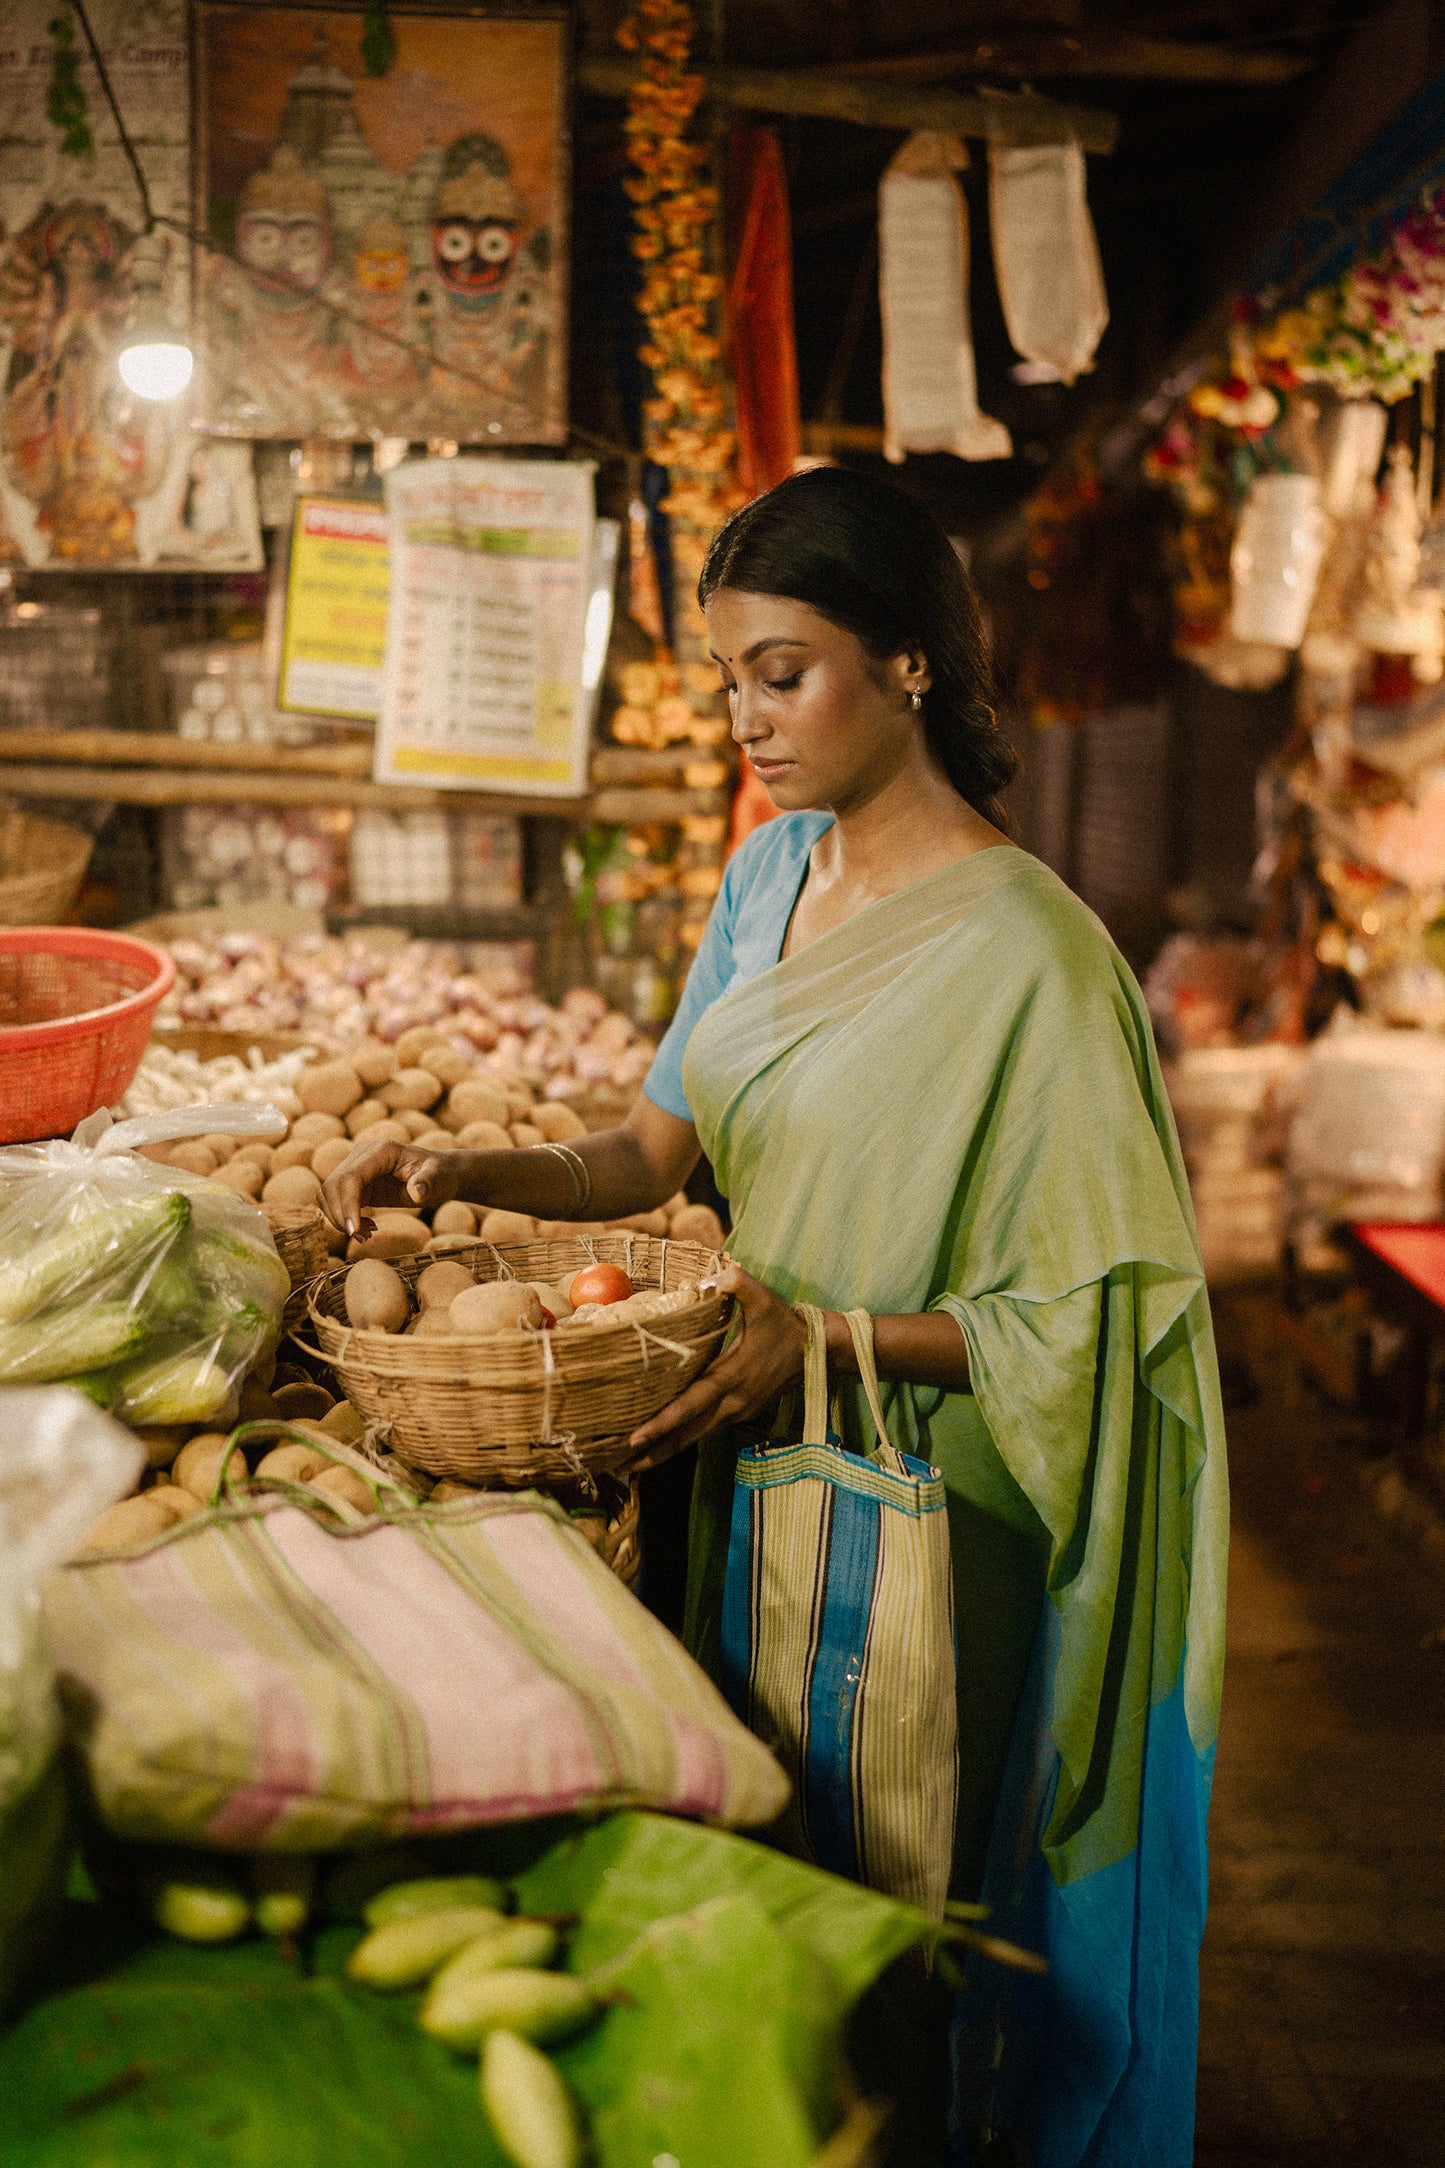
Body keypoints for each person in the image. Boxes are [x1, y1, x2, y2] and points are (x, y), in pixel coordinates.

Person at [319, 464, 1228, 2168]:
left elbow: (1098, 1328)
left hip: (932, 1507)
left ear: (906, 663)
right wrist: (463, 1171)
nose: (746, 716)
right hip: (744, 1460)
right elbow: (649, 1149)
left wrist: (826, 1342)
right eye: (727, 677)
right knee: (778, 1863)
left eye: (781, 670)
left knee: (911, 1902)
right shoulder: (765, 885)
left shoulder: (1034, 958)